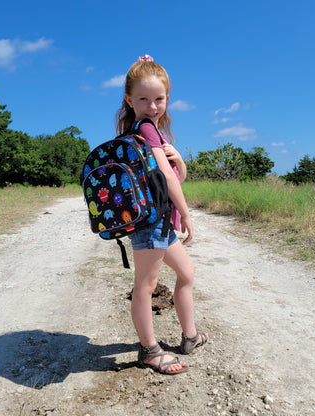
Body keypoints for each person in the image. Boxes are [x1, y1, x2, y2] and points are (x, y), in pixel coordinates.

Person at [115, 54, 208, 375]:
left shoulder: (152, 131)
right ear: (129, 100)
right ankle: (150, 350)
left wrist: (180, 160)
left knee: (187, 273)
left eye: (159, 98)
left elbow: (173, 175)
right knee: (145, 285)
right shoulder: (146, 129)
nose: (152, 105)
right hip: (151, 222)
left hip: (159, 221)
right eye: (143, 98)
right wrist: (187, 213)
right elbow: (168, 180)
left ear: (168, 97)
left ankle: (190, 336)